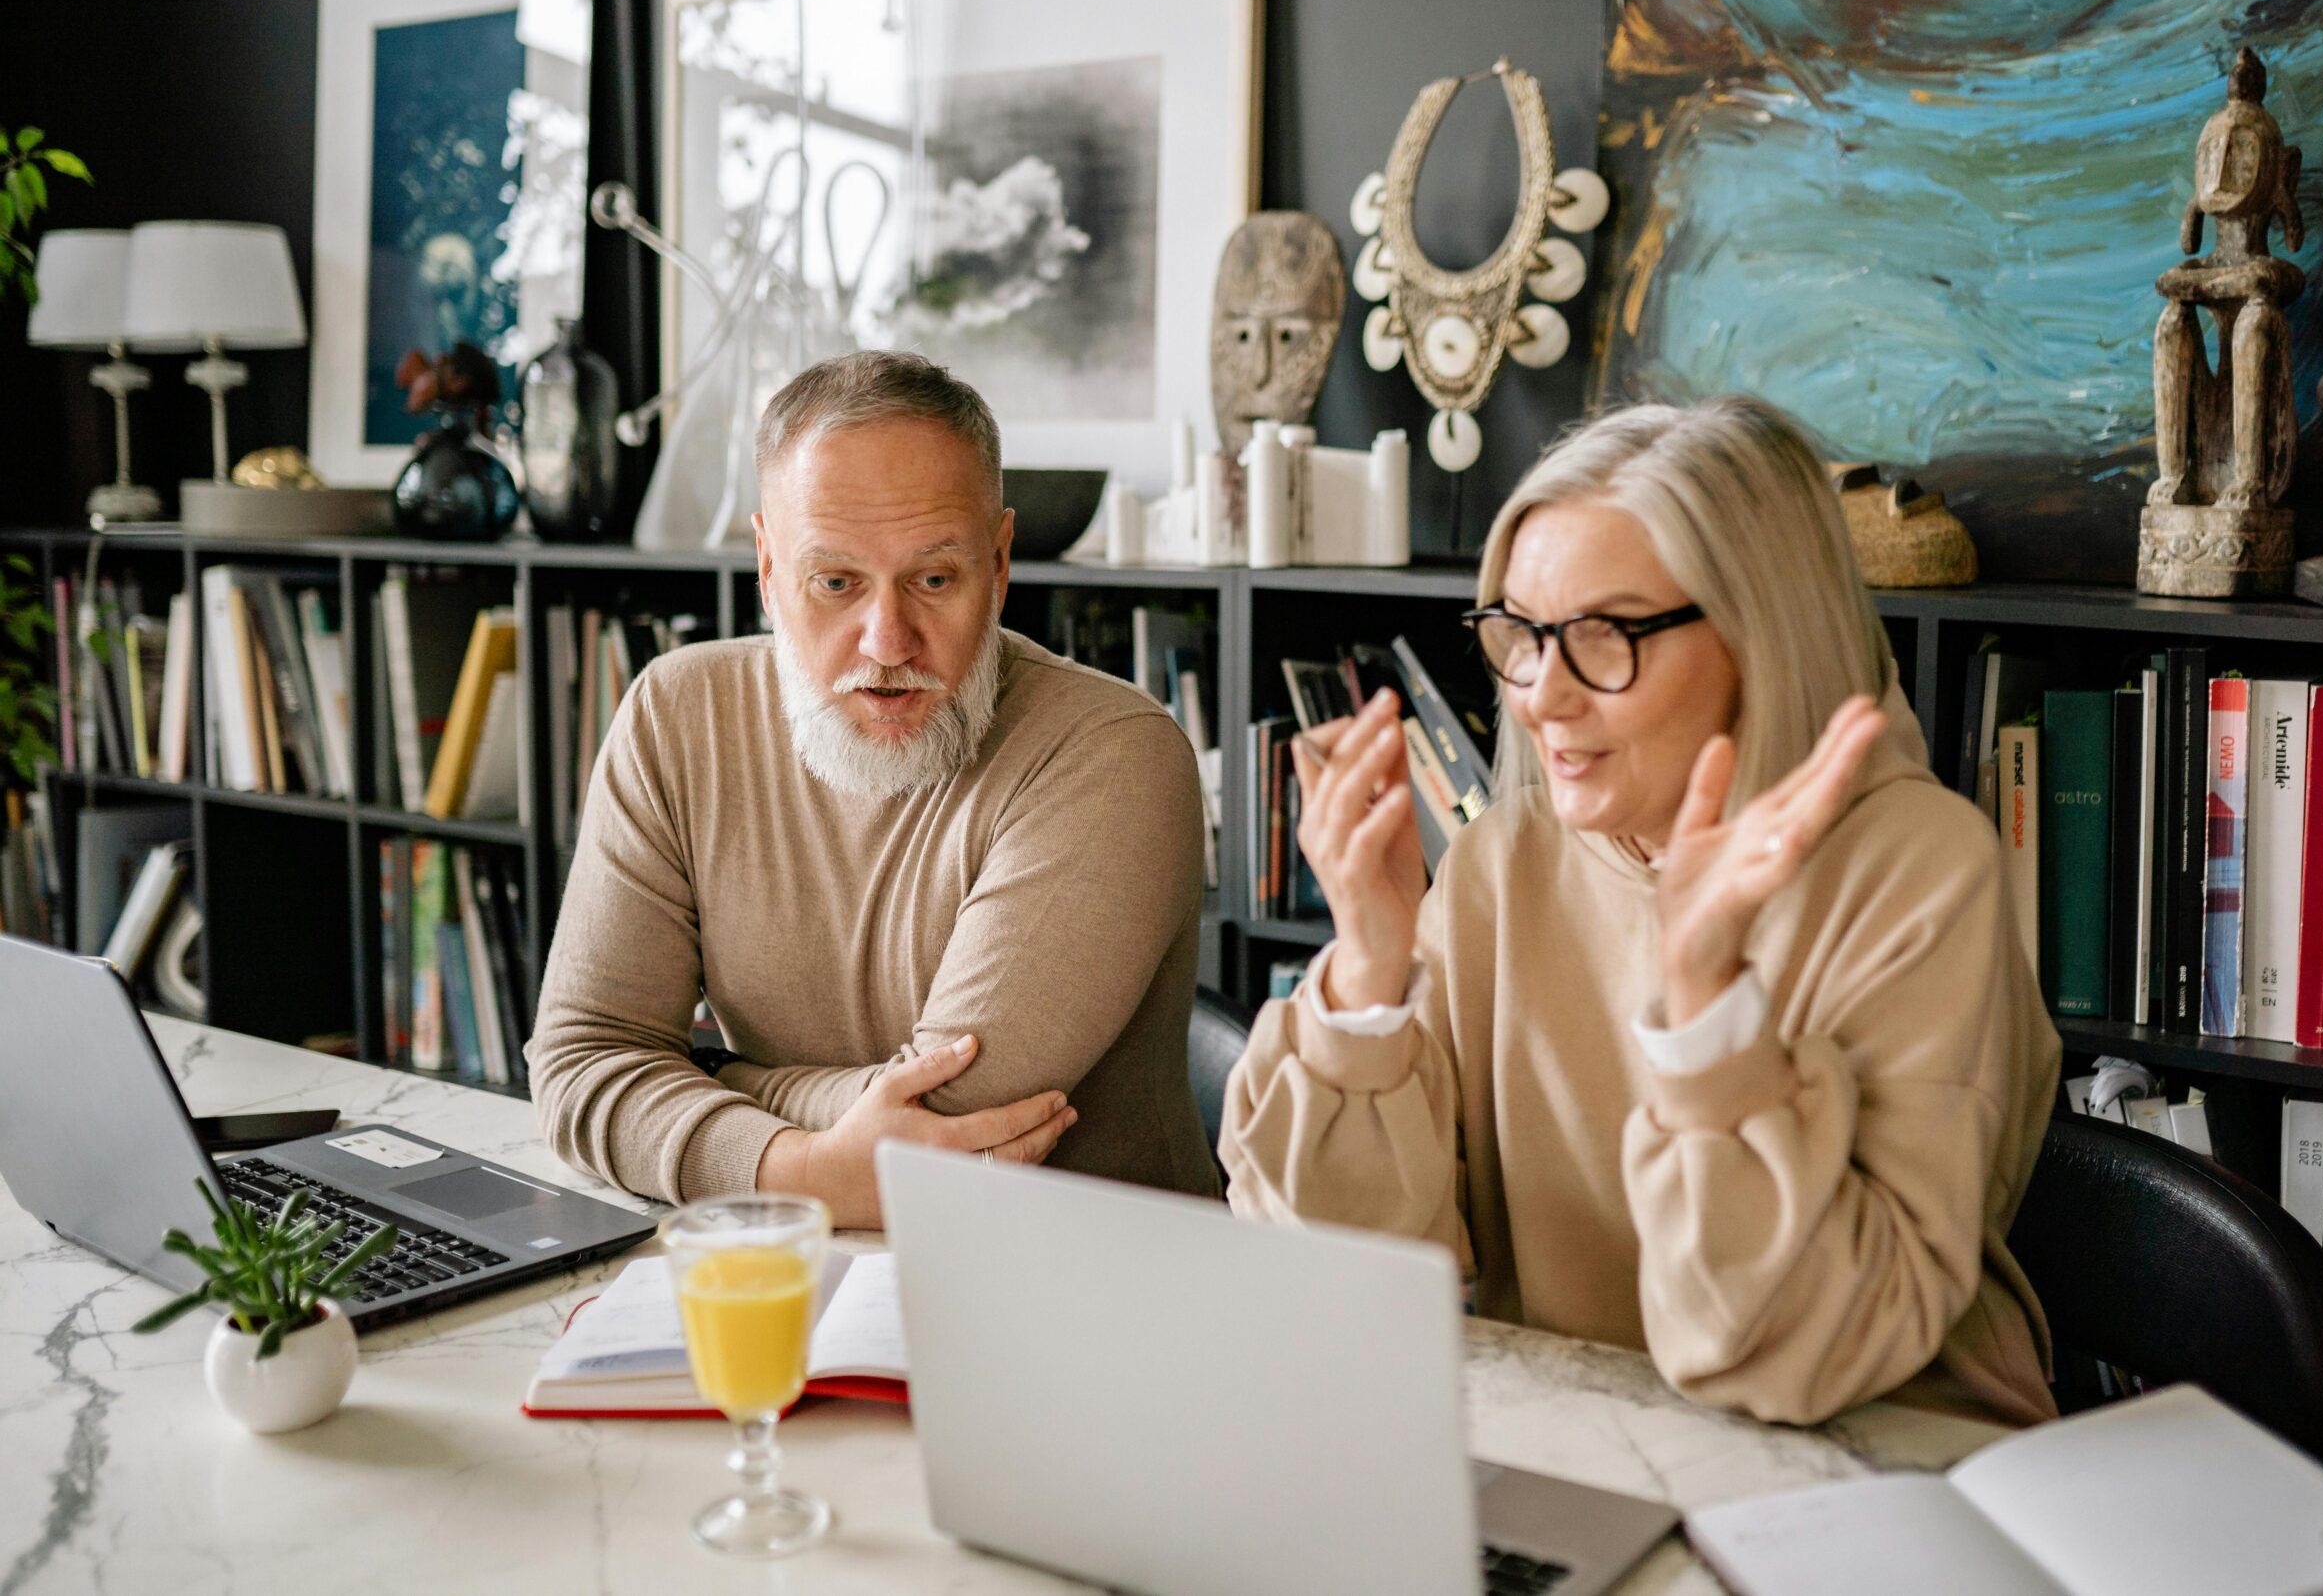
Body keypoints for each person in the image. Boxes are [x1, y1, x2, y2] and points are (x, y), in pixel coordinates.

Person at [1222, 397, 2061, 1426]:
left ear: (1763, 632)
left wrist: (1707, 1010)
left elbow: (1795, 1357)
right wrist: (1366, 973)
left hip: (1880, 1468)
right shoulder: (1503, 859)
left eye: (1605, 635)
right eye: (1520, 635)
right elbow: (1341, 1282)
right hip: (1592, 1444)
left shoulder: (1920, 873)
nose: (1540, 696)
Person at [531, 350, 1217, 1223]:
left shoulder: (1115, 755)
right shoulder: (675, 715)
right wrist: (810, 1167)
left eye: (934, 579)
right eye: (835, 582)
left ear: (1000, 566)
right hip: (803, 1267)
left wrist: (714, 1077)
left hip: (1095, 1298)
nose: (887, 641)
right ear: (769, 570)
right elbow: (582, 1063)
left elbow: (940, 1130)